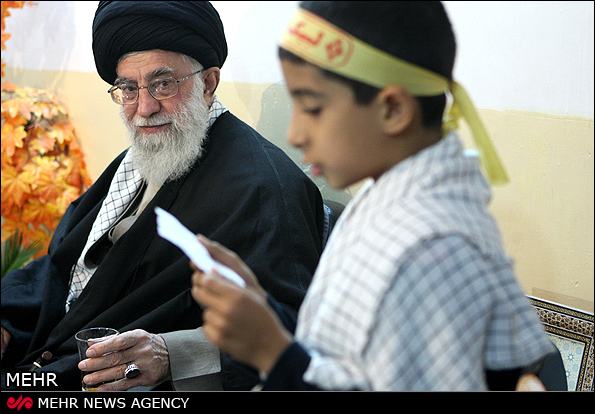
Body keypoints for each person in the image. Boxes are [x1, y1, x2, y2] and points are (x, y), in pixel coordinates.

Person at [191, 1, 557, 391]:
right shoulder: (386, 196)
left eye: (311, 107)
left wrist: (273, 352)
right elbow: (346, 354)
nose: (294, 134)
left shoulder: (431, 248)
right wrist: (266, 311)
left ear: (394, 110)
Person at [1, 1, 325, 391]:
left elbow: (293, 331)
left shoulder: (265, 186)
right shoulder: (145, 154)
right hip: (53, 353)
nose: (145, 108)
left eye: (163, 84)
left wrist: (172, 354)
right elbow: (68, 263)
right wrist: (7, 321)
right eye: (128, 89)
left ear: (208, 84)